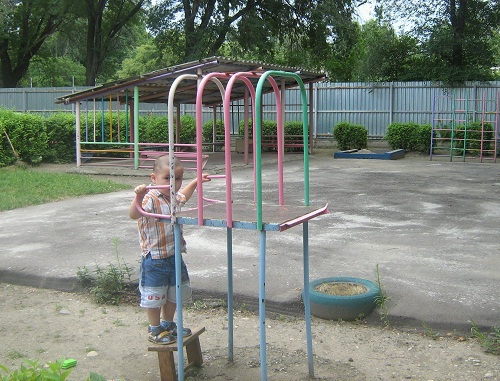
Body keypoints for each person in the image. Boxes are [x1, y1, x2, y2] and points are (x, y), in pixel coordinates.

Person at [129, 154, 210, 345]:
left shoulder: (172, 197)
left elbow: (184, 196)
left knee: (175, 292)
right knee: (155, 294)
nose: (173, 183)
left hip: (174, 255)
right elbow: (133, 214)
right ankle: (155, 328)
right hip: (155, 259)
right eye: (168, 178)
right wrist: (138, 196)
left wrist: (196, 181)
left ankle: (168, 324)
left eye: (178, 178)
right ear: (153, 178)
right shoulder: (149, 198)